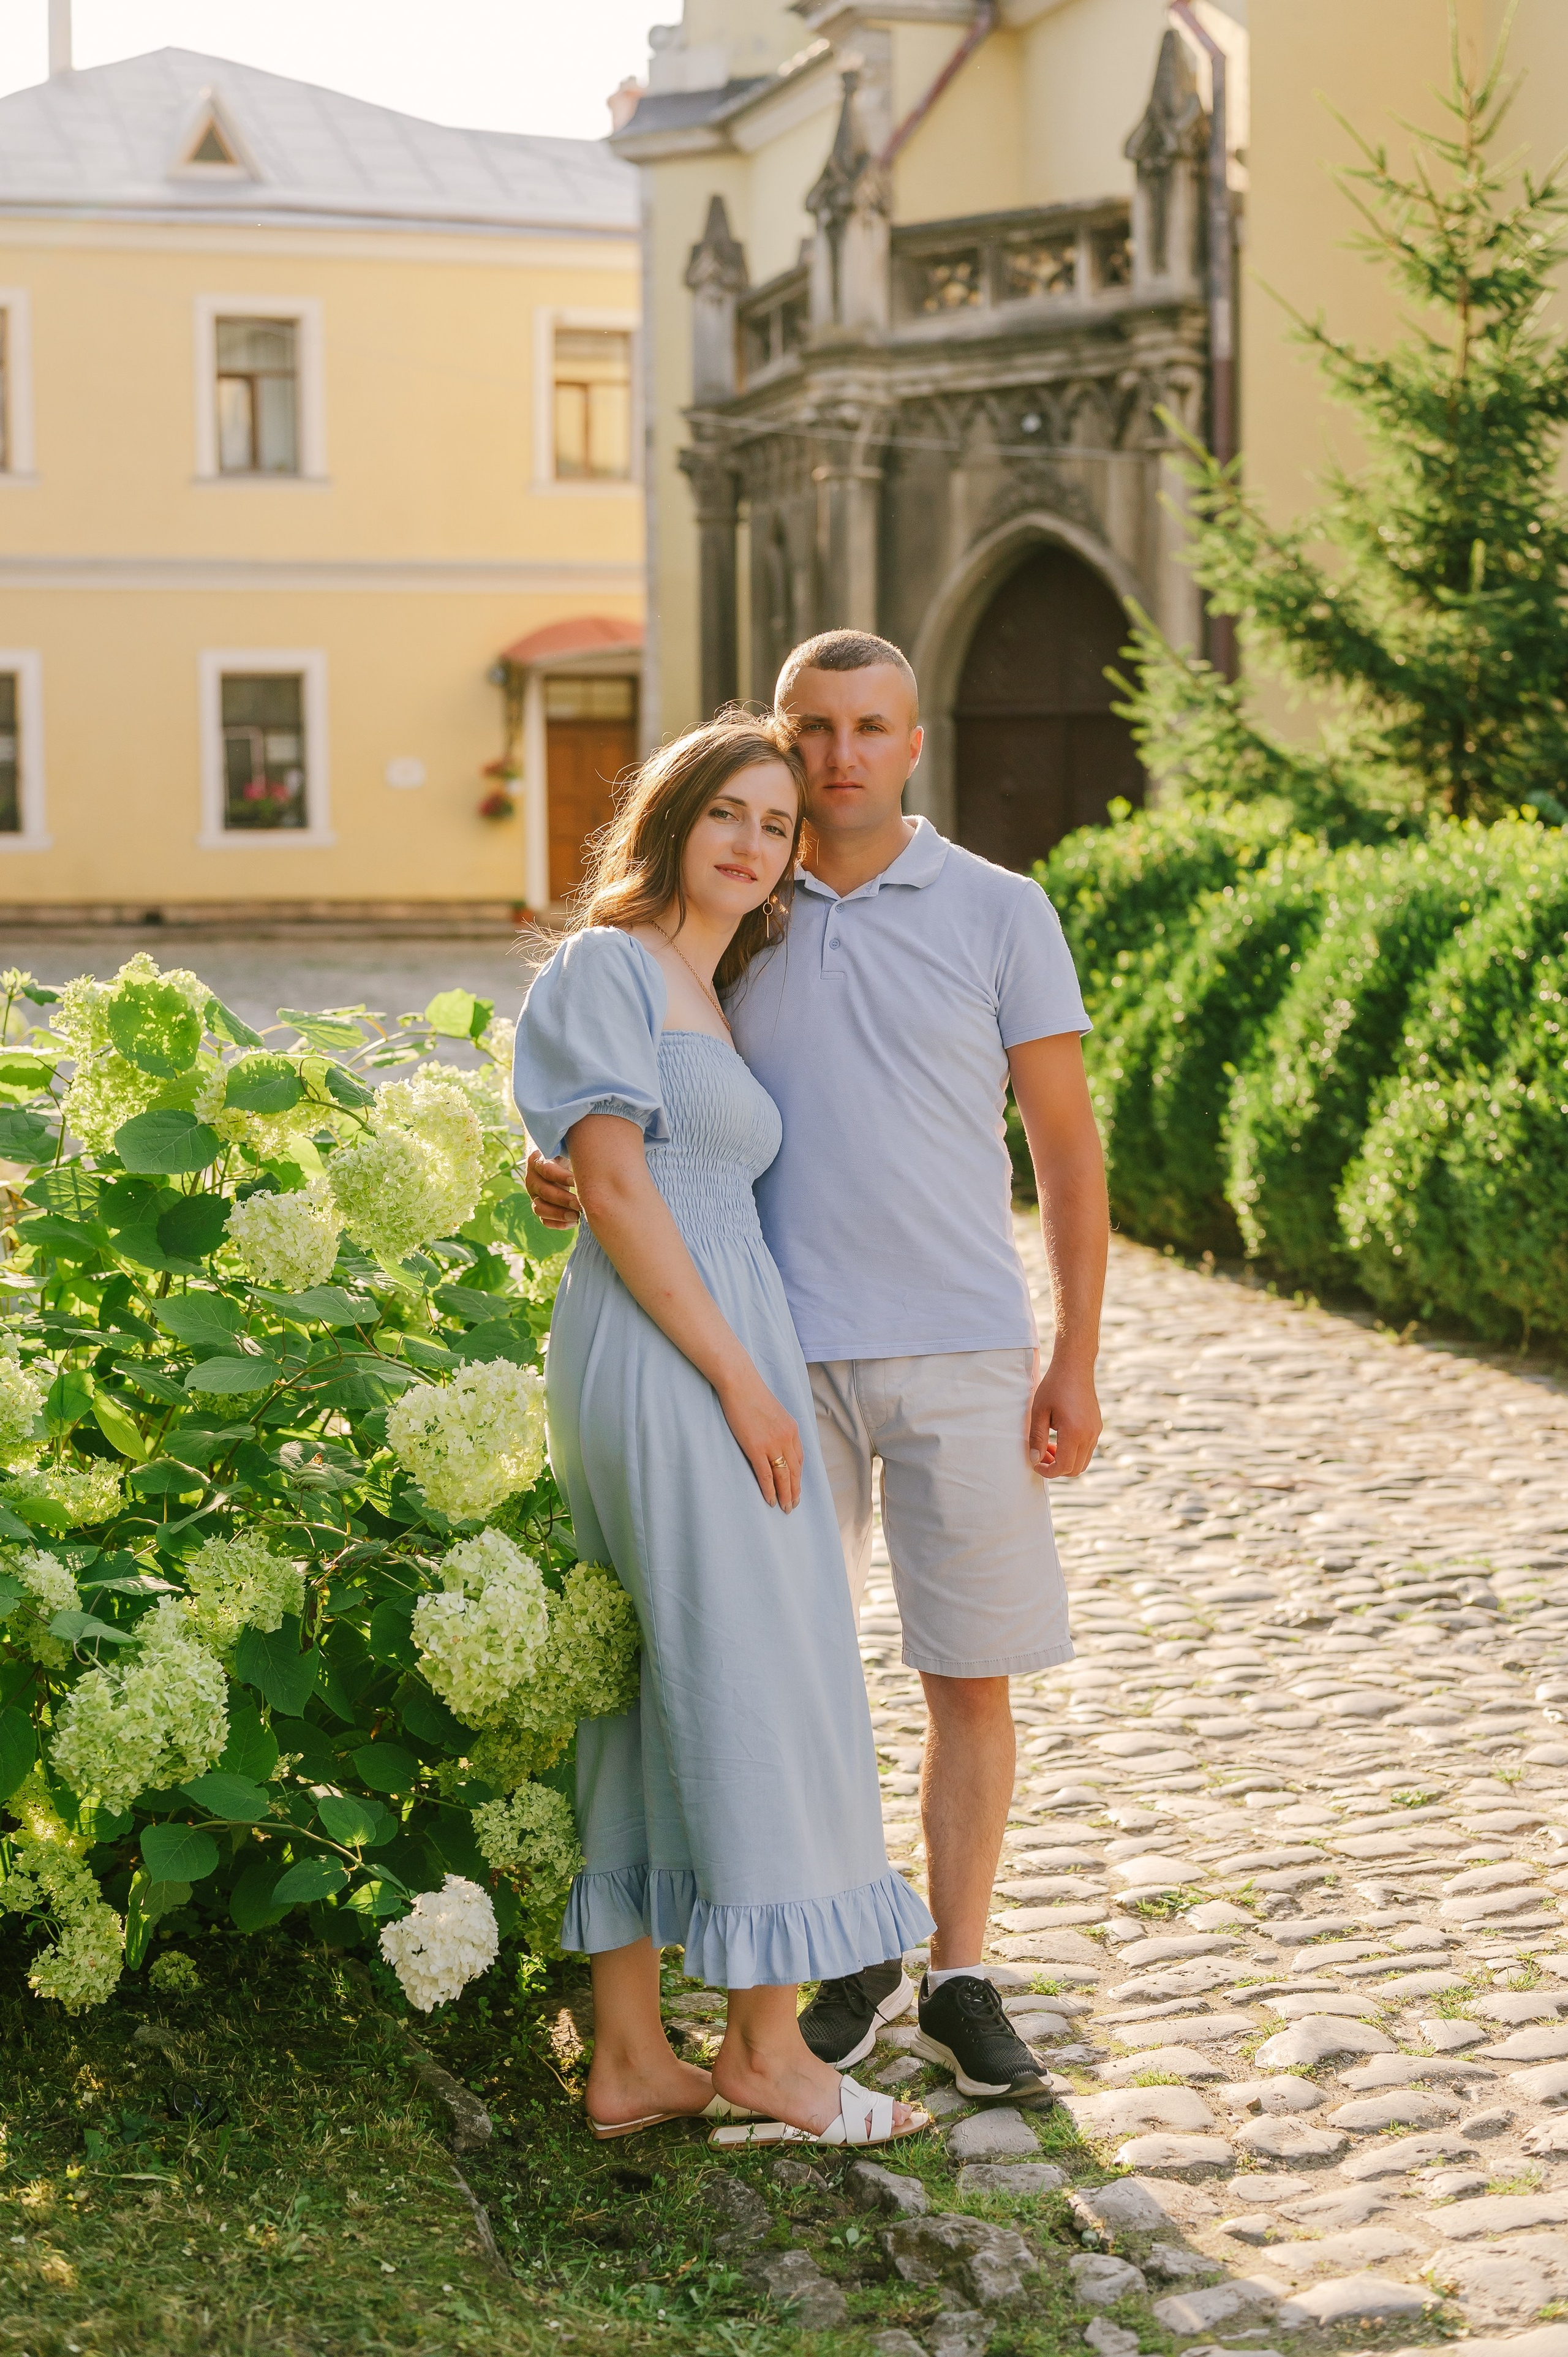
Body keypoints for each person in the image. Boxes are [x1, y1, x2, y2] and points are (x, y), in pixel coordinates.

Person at [529, 632, 1107, 2107]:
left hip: (958, 1343)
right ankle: (809, 1982)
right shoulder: (747, 925)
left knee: (959, 1670)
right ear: (777, 752)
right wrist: (565, 1165)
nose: (838, 758)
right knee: (763, 1674)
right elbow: (638, 1113)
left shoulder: (995, 908)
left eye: (868, 729)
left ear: (912, 744)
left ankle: (953, 1972)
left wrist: (1076, 1350)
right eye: (809, 737)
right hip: (769, 1349)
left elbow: (1062, 1144)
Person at [510, 714, 934, 2150]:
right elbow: (622, 1190)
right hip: (670, 1353)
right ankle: (769, 2051)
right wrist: (744, 1385)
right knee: (763, 1666)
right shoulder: (608, 960)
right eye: (730, 816)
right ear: (673, 820)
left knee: (642, 1679)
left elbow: (632, 1160)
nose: (755, 845)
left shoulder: (708, 981)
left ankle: (630, 2057)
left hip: (712, 1335)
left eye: (777, 825)